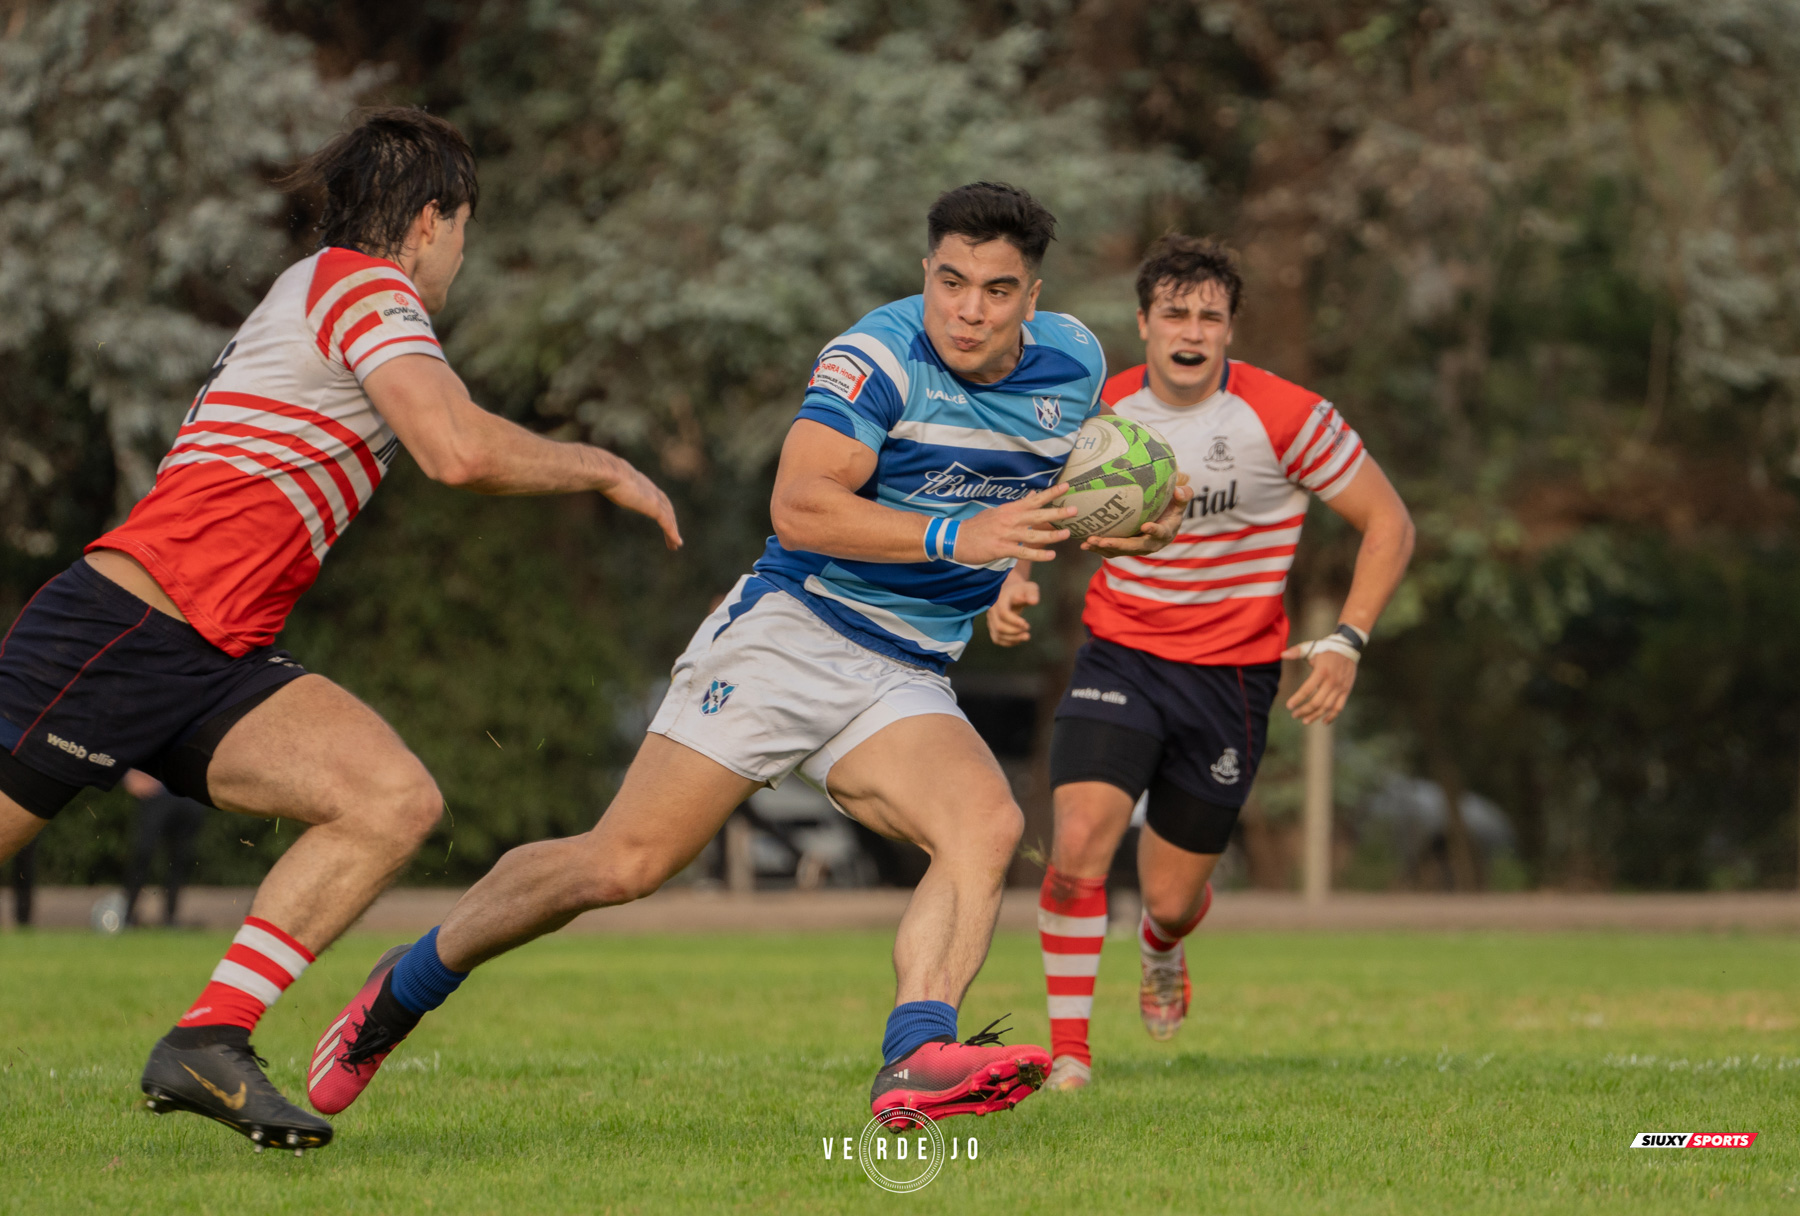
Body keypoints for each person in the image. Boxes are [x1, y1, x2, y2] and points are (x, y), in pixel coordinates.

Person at [306, 182, 1191, 1128]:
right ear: (923, 272)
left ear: (1034, 293)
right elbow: (801, 505)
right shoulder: (876, 359)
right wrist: (958, 537)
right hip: (793, 635)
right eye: (951, 281)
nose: (969, 310)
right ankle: (402, 987)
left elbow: (1066, 481)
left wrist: (1137, 517)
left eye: (999, 290)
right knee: (620, 865)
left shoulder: (1075, 363)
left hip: (905, 671)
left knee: (984, 825)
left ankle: (916, 1059)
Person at [0, 108, 680, 1152]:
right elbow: (454, 445)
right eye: (463, 227)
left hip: (212, 655)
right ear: (430, 221)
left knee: (390, 798)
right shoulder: (366, 286)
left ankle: (210, 1040)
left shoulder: (325, 283)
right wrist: (603, 465)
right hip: (123, 630)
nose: (462, 253)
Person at [988, 234, 1415, 1091]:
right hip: (1122, 654)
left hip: (1232, 679)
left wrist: (1348, 638)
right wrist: (1013, 580)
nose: (1191, 329)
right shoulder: (1096, 412)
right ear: (1143, 323)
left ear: (1230, 330)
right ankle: (1069, 1051)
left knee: (1173, 898)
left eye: (1209, 316)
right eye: (1174, 312)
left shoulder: (1287, 417)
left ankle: (1159, 947)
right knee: (1075, 844)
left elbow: (1390, 523)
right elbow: (1031, 501)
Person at [121, 769, 209, 928]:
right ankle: (126, 916)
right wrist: (127, 775)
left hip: (189, 797)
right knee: (143, 854)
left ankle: (170, 919)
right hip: (156, 795)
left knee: (180, 859)